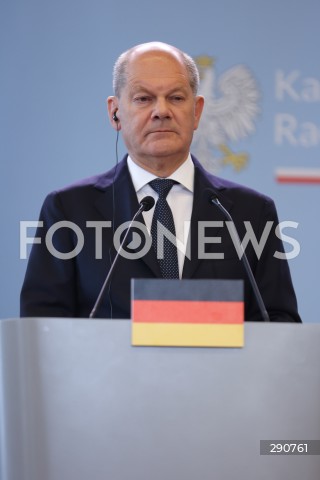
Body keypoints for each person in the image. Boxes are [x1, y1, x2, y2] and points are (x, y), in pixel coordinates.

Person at [20, 41, 301, 322]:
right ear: (115, 112)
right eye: (143, 99)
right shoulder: (69, 210)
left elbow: (279, 324)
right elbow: (42, 327)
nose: (161, 111)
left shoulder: (250, 213)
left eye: (176, 98)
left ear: (197, 111)